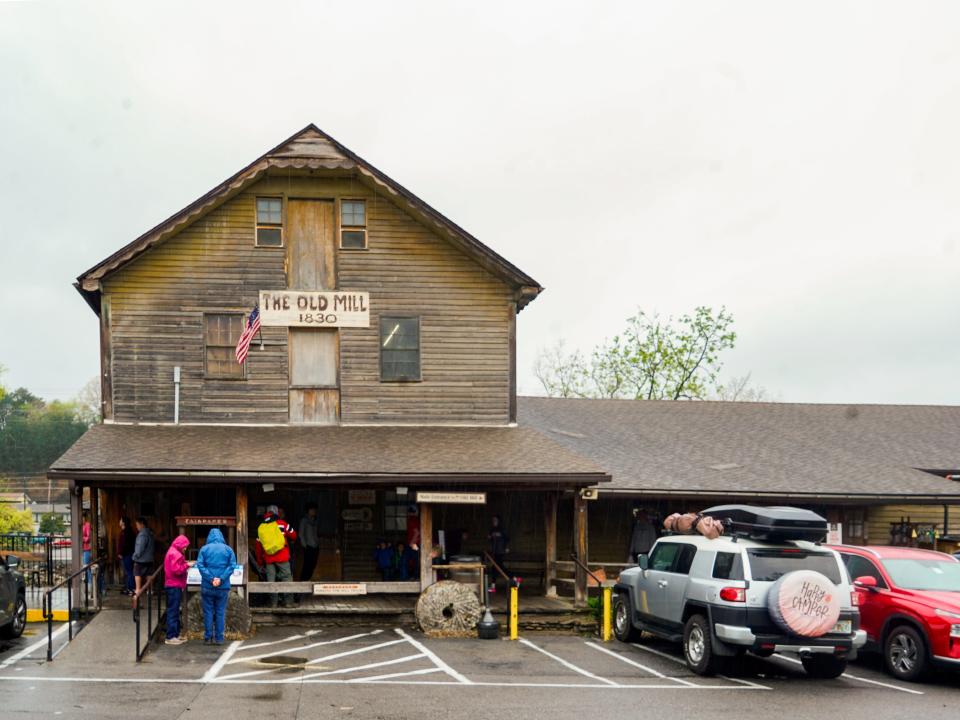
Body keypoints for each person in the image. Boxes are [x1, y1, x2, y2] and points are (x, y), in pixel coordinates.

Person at [195, 528, 236, 645]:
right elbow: (232, 565)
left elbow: (200, 565)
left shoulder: (204, 549)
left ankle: (208, 637)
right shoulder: (228, 550)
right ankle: (219, 638)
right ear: (221, 536)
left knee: (208, 612)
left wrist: (211, 578)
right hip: (223, 587)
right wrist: (221, 579)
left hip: (208, 586)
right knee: (220, 612)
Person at [256, 504, 297, 608]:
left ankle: (273, 603)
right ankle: (288, 602)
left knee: (271, 580)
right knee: (287, 577)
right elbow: (294, 535)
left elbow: (258, 547)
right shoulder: (282, 524)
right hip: (282, 557)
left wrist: (260, 562)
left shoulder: (261, 527)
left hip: (269, 558)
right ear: (277, 512)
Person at [163, 534, 190, 645]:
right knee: (173, 611)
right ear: (181, 545)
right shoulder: (176, 554)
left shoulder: (172, 551)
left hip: (172, 584)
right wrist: (187, 565)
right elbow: (177, 570)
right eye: (185, 546)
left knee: (174, 610)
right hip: (174, 585)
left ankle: (175, 634)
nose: (185, 548)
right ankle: (171, 636)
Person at [132, 516, 155, 596]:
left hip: (141, 560)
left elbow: (139, 548)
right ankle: (150, 591)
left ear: (142, 524)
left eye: (137, 525)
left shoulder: (142, 535)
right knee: (149, 575)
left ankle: (137, 591)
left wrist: (134, 557)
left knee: (137, 574)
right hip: (150, 559)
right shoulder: (150, 533)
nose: (137, 527)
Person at [298, 502, 320, 582]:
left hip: (316, 547)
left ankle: (307, 580)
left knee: (313, 565)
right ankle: (303, 581)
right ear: (308, 511)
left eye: (315, 510)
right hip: (308, 547)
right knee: (307, 565)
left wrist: (318, 543)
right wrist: (305, 546)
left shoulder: (315, 521)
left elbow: (316, 533)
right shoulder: (304, 520)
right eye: (312, 510)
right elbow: (301, 534)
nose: (314, 511)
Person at [488, 515, 510, 589]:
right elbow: (490, 539)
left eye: (495, 520)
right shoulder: (492, 530)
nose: (494, 522)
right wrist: (490, 537)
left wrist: (506, 547)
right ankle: (493, 586)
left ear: (498, 521)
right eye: (493, 520)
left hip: (500, 551)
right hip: (494, 551)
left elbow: (507, 538)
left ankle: (514, 578)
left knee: (499, 567)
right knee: (495, 567)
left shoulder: (502, 529)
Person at [117, 517, 135, 595]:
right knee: (128, 572)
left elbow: (127, 545)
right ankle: (128, 588)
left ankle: (131, 589)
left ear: (123, 522)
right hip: (126, 555)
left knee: (129, 572)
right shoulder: (125, 531)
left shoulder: (127, 532)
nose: (119, 521)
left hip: (127, 555)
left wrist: (122, 553)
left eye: (120, 520)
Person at [81, 511, 92, 585]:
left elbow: (88, 538)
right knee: (84, 567)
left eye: (82, 517)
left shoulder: (87, 525)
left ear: (85, 517)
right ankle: (87, 584)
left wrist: (81, 538)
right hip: (82, 549)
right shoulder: (81, 525)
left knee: (87, 567)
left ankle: (90, 584)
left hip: (87, 549)